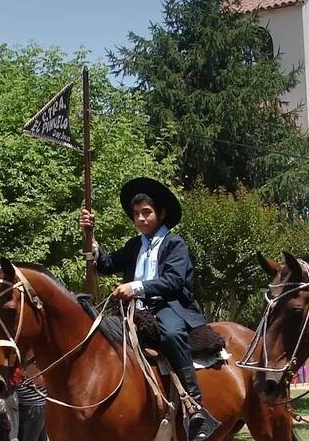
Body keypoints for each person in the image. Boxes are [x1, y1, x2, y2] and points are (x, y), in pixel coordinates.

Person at [78, 177, 219, 441]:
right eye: (136, 214)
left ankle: (194, 407)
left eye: (146, 213)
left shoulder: (175, 244)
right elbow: (107, 263)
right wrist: (91, 236)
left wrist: (135, 287)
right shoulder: (135, 245)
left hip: (168, 306)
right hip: (134, 310)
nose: (141, 219)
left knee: (171, 335)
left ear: (160, 213)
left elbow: (174, 281)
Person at [16, 356, 47, 441]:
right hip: (30, 406)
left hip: (33, 407)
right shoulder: (21, 362)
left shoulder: (30, 364)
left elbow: (44, 383)